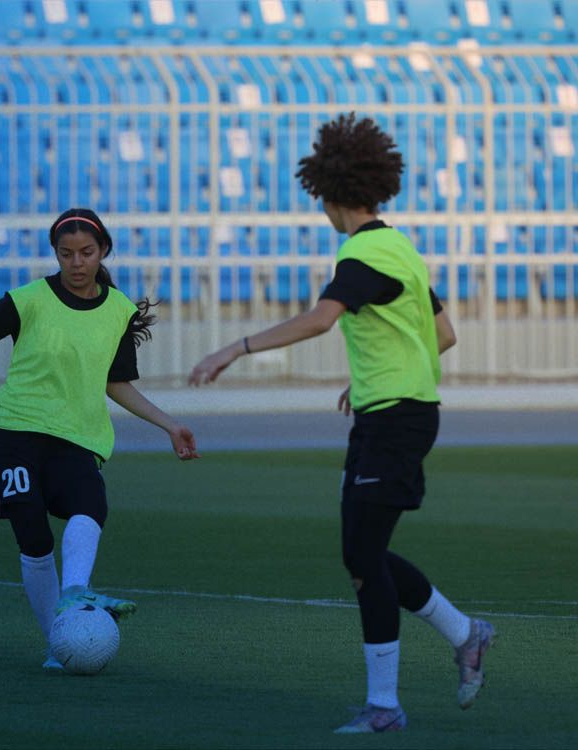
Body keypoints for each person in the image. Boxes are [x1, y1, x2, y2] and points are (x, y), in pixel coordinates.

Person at [189, 114, 494, 733]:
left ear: (328, 194)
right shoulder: (400, 247)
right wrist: (373, 377)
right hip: (393, 414)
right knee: (366, 552)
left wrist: (234, 348)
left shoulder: (360, 253)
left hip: (396, 423)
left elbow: (321, 319)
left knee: (361, 556)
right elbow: (442, 334)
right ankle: (466, 635)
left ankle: (386, 706)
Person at [0, 208, 200, 670]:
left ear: (103, 251)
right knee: (33, 538)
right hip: (12, 433)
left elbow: (115, 383)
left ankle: (73, 597)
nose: (76, 262)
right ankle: (60, 641)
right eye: (66, 253)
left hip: (75, 438)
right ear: (55, 253)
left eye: (86, 253)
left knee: (91, 504)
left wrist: (169, 424)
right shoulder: (29, 299)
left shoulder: (118, 310)